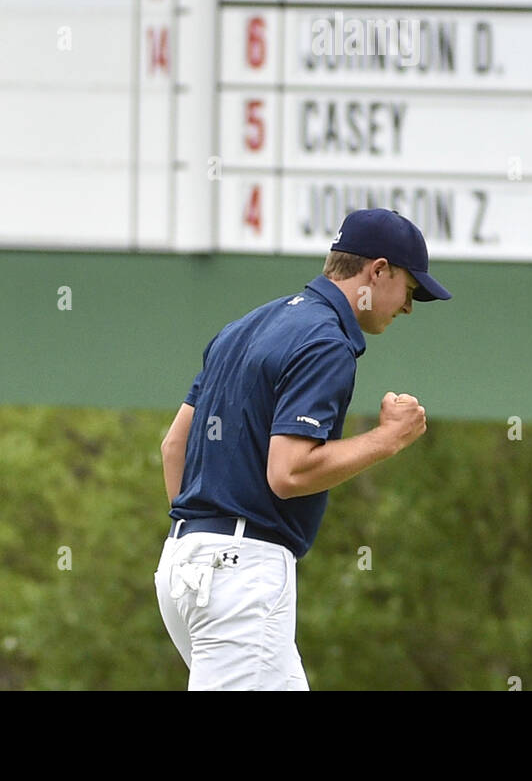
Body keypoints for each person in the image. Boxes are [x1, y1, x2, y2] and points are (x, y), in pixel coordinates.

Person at [155, 207, 452, 691]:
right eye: (410, 290)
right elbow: (288, 473)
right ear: (378, 271)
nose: (408, 306)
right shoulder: (326, 340)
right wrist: (388, 438)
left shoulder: (245, 326)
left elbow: (175, 447)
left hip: (186, 561)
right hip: (241, 573)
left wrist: (199, 544)